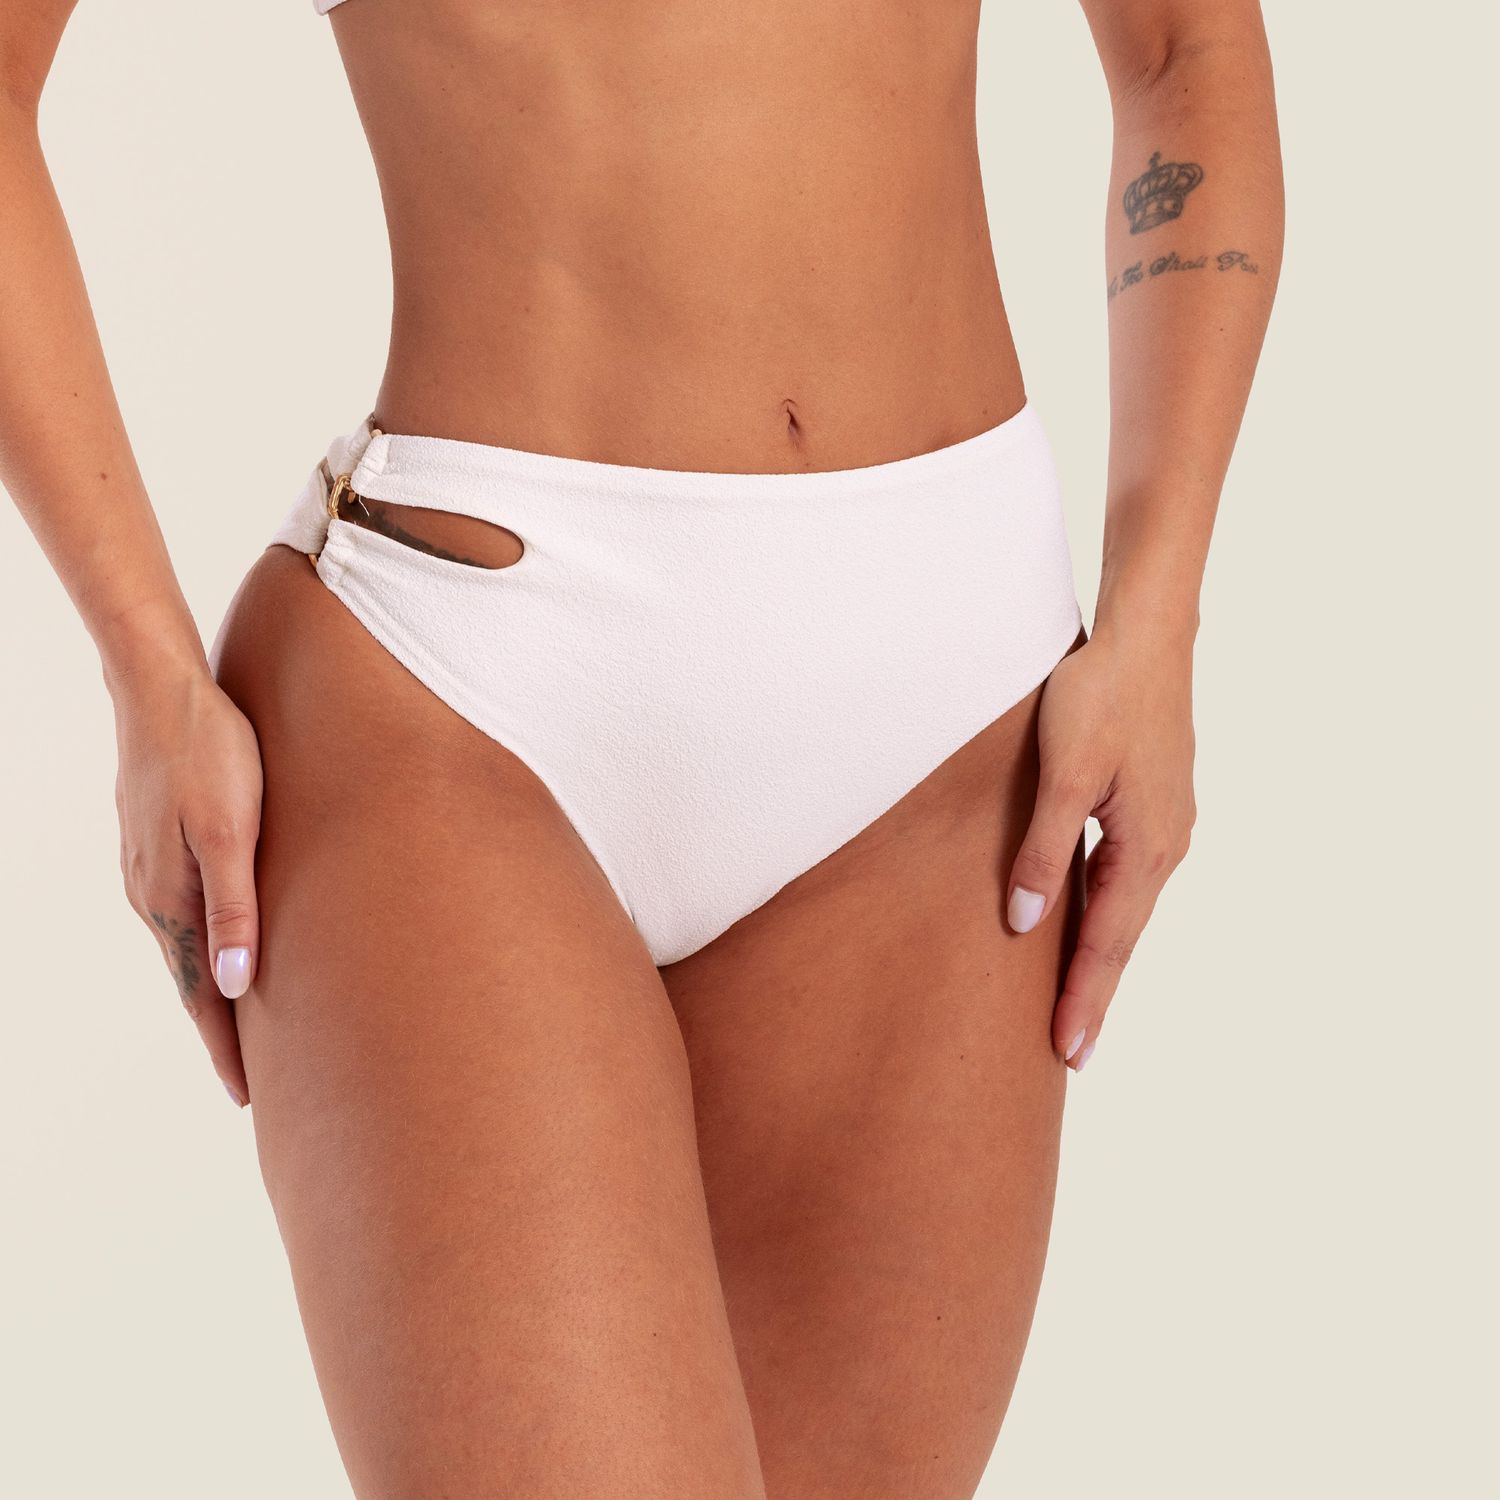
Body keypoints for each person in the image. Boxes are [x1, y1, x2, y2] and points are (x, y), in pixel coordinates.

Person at [0, 0, 1282, 1494]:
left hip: (951, 718)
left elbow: (1185, 54)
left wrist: (1160, 617)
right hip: (462, 695)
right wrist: (145, 678)